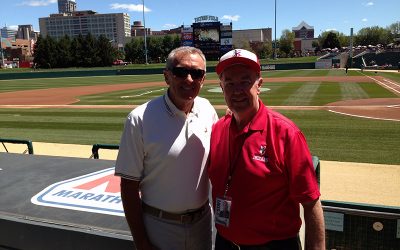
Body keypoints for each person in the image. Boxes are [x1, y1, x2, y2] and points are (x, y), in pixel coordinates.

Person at [208, 49, 325, 250]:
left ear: (259, 85)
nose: (237, 90)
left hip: (274, 245)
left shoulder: (285, 133)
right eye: (229, 83)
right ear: (221, 87)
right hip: (225, 242)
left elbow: (311, 202)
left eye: (245, 81)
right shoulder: (218, 129)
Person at [115, 46, 218, 250]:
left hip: (202, 222)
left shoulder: (207, 109)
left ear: (203, 79)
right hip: (160, 226)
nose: (189, 79)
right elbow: (128, 187)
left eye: (196, 73)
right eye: (181, 72)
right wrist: (142, 243)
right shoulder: (139, 119)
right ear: (167, 76)